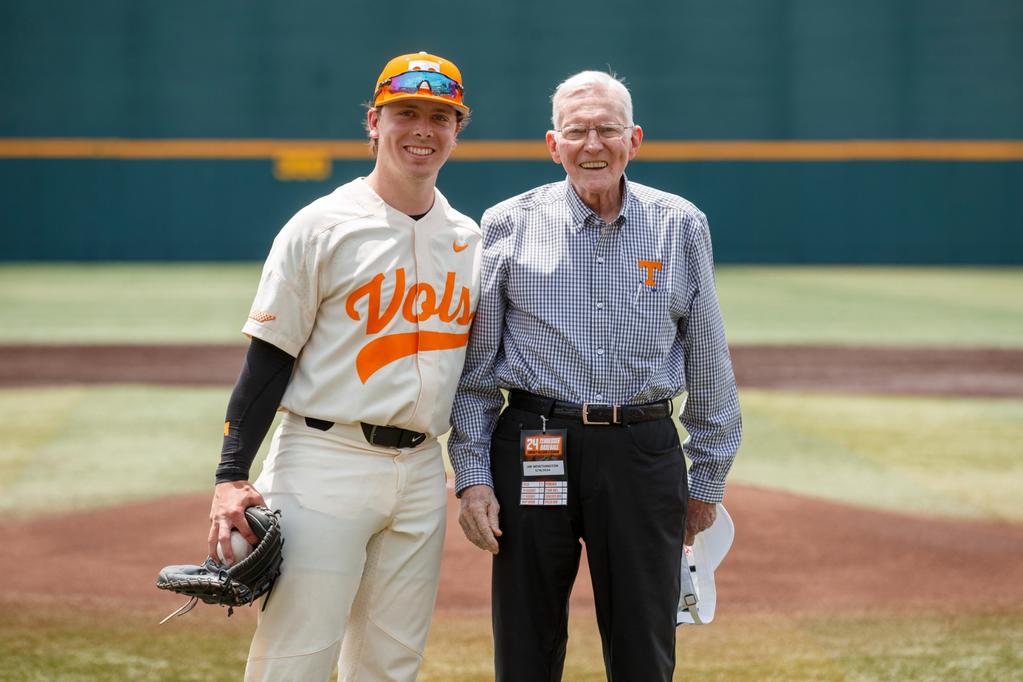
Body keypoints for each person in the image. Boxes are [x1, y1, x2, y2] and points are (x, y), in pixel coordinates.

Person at [448, 70, 742, 681]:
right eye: (576, 131)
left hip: (642, 450)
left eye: (607, 129)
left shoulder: (680, 223)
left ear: (634, 139)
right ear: (553, 144)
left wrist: (709, 476)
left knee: (644, 645)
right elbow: (475, 374)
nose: (592, 145)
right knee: (525, 641)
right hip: (535, 441)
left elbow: (708, 356)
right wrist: (473, 476)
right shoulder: (506, 223)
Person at [207, 51, 481, 682]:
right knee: (295, 657)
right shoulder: (321, 227)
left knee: (391, 663)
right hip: (324, 460)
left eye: (439, 117)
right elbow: (268, 360)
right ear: (374, 122)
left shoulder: (468, 239)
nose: (422, 130)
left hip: (421, 469)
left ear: (456, 130)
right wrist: (230, 475)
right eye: (405, 113)